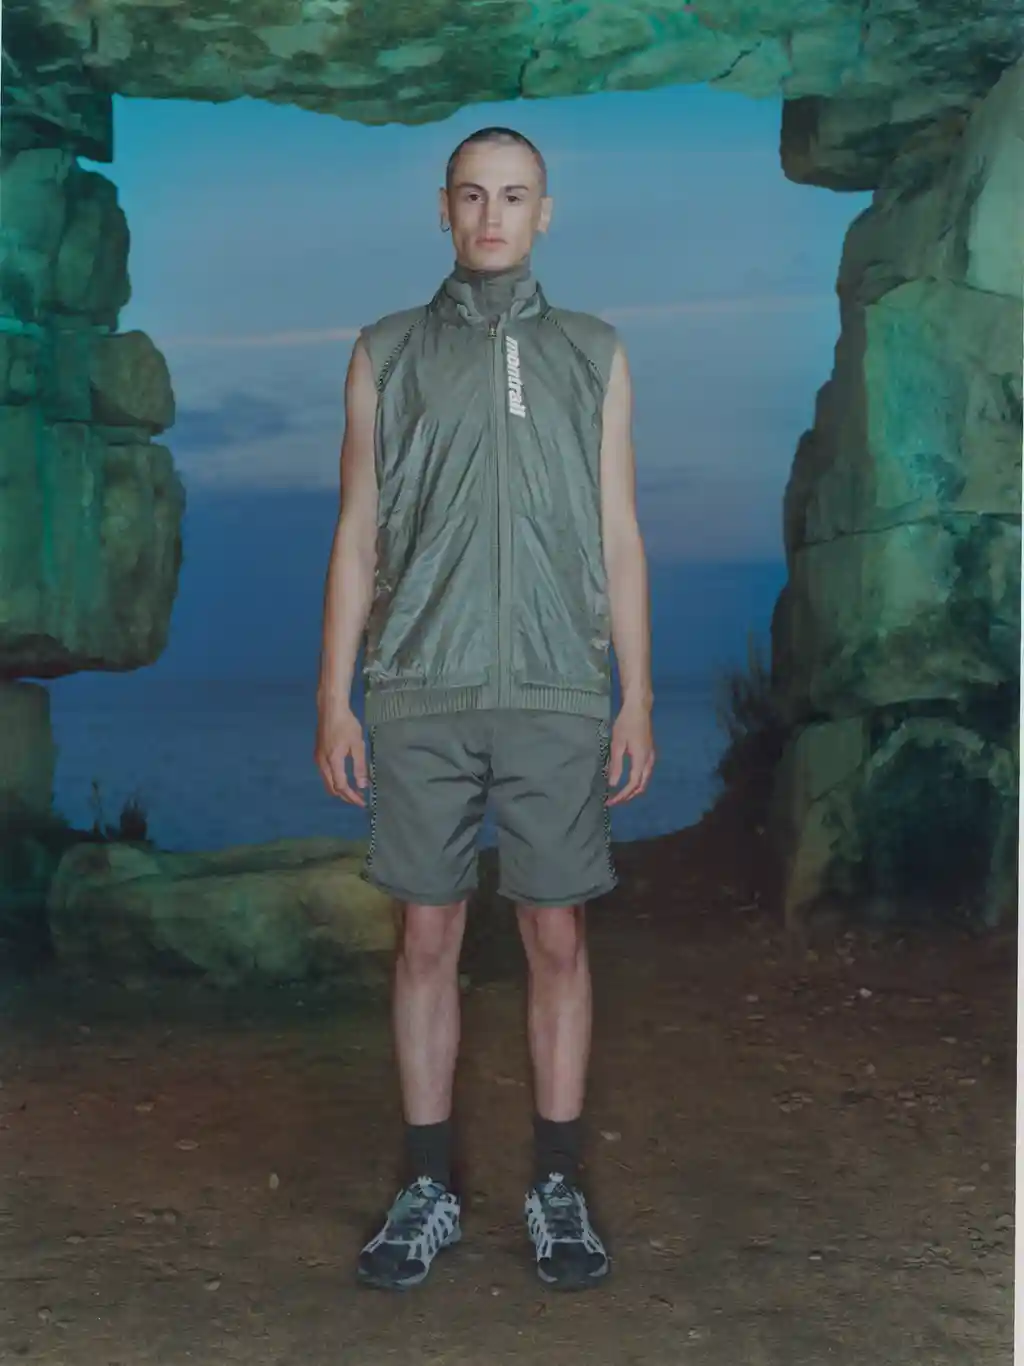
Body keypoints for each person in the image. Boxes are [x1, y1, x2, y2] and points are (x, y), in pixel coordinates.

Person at [314, 126, 655, 1293]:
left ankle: (556, 1185)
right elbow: (356, 533)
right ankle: (426, 1188)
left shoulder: (594, 352)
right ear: (444, 209)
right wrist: (335, 697)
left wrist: (635, 694)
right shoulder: (385, 352)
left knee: (557, 936)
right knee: (426, 937)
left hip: (558, 688)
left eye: (514, 196)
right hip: (419, 688)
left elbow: (619, 534)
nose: (492, 216)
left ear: (544, 212)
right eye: (472, 195)